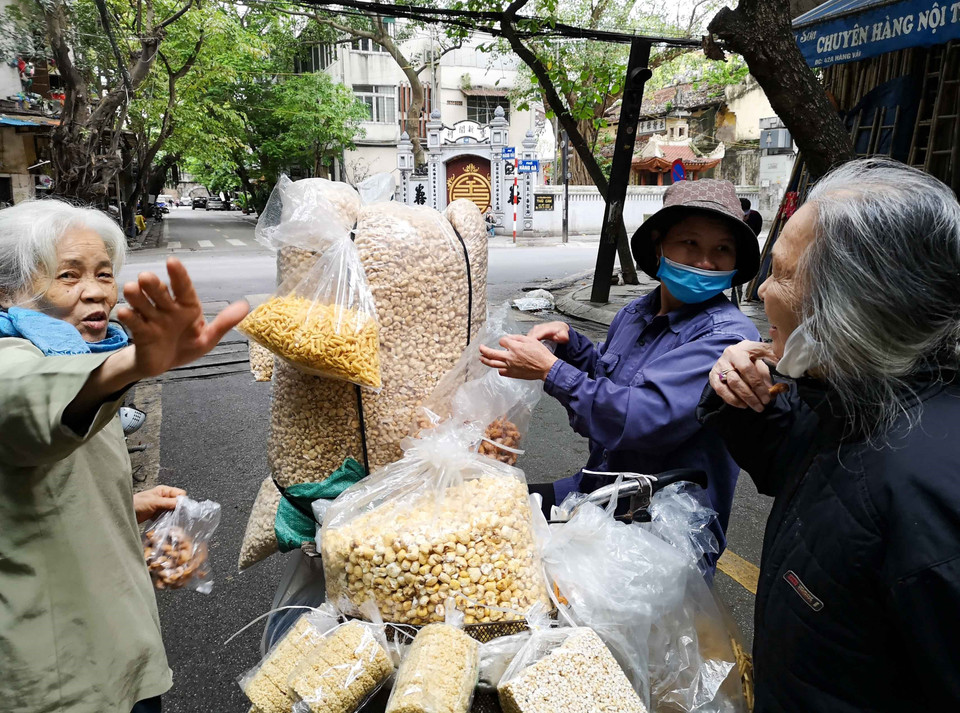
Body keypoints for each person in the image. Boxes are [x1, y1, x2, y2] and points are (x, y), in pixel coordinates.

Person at [698, 158, 960, 710]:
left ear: (856, 306)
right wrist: (738, 393)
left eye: (784, 274)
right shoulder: (857, 393)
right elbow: (799, 466)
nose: (762, 289)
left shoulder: (929, 491)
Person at [0, 199, 248, 713]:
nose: (95, 291)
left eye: (104, 274)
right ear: (7, 292)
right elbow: (29, 401)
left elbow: (40, 466)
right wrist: (130, 364)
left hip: (122, 650)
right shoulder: (23, 361)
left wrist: (122, 502)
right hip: (63, 680)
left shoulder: (73, 354)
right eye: (67, 275)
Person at [479, 179, 760, 568]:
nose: (705, 262)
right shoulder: (634, 314)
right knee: (486, 515)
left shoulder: (728, 338)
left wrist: (550, 371)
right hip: (599, 494)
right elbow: (613, 377)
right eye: (690, 244)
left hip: (661, 533)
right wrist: (573, 345)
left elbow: (639, 417)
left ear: (735, 264)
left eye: (722, 250)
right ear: (660, 245)